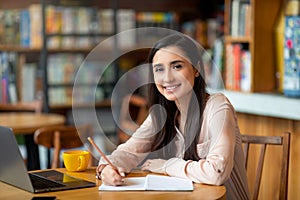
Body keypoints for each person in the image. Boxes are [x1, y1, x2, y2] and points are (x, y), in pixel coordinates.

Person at [96, 33, 250, 199]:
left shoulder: (217, 106)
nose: (167, 78)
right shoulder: (161, 114)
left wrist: (166, 165)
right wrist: (107, 168)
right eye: (159, 69)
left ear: (196, 69)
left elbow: (217, 172)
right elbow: (129, 152)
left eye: (177, 66)